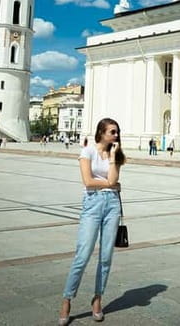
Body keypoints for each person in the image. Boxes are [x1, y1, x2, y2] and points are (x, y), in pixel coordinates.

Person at [58, 118, 126, 324]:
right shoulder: (87, 151)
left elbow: (113, 179)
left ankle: (97, 299)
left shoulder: (116, 154)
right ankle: (67, 299)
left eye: (117, 132)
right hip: (92, 204)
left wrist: (113, 158)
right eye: (112, 132)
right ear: (101, 133)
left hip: (112, 205)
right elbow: (87, 181)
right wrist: (110, 184)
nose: (116, 135)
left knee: (106, 257)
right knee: (83, 254)